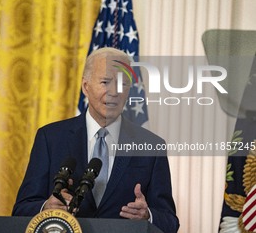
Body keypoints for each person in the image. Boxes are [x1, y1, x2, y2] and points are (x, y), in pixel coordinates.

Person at [12, 47, 179, 233]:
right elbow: (21, 209)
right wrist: (46, 208)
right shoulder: (50, 138)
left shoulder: (152, 146)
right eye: (105, 82)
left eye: (123, 84)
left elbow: (170, 222)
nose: (114, 92)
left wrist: (148, 215)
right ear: (86, 86)